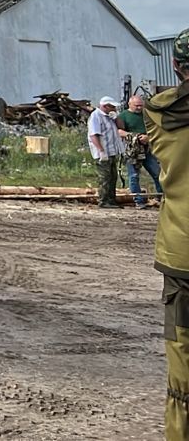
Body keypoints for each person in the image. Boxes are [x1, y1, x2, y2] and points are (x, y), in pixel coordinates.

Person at [145, 28, 189, 441]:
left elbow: (157, 100)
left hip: (181, 253)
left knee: (183, 361)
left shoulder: (158, 115)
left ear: (176, 65)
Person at [122, 92, 165, 208]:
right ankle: (138, 200)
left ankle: (160, 196)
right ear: (130, 104)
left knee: (157, 173)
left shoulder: (146, 115)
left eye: (141, 105)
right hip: (133, 150)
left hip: (147, 148)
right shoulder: (124, 116)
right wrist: (134, 136)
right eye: (137, 105)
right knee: (134, 176)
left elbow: (155, 128)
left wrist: (148, 137)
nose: (139, 108)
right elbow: (119, 131)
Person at [88, 95, 126, 208]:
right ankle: (103, 201)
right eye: (112, 107)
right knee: (104, 177)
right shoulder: (96, 116)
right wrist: (101, 150)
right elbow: (94, 135)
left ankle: (111, 199)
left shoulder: (109, 117)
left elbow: (121, 127)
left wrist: (116, 117)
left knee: (113, 176)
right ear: (105, 106)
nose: (114, 109)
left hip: (112, 151)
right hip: (103, 152)